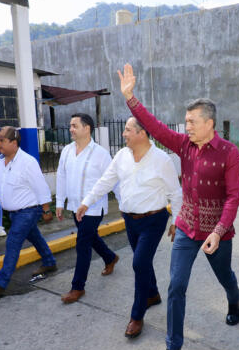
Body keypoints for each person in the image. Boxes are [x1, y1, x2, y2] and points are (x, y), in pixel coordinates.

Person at [118, 63, 239, 350]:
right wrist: (131, 98)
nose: (186, 126)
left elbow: (233, 196)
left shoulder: (229, 152)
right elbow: (156, 128)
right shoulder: (184, 145)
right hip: (187, 228)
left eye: (191, 121)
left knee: (225, 276)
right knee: (176, 286)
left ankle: (235, 299)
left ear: (209, 123)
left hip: (218, 234)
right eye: (185, 121)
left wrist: (218, 231)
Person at [77, 116, 182, 338]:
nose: (123, 134)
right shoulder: (122, 156)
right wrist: (86, 202)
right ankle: (152, 294)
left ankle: (137, 315)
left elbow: (176, 192)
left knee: (139, 262)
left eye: (127, 130)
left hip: (154, 220)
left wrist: (176, 221)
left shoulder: (161, 159)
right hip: (129, 220)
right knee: (142, 263)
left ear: (142, 133)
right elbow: (106, 180)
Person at [0, 126, 57, 296]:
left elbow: (40, 186)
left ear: (14, 143)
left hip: (29, 210)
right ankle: (49, 261)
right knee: (34, 236)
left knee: (13, 241)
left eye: (2, 140)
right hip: (14, 213)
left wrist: (46, 210)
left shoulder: (28, 162)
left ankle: (1, 283)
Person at [55, 113, 119, 304]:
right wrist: (60, 202)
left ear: (87, 128)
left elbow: (112, 181)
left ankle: (77, 287)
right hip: (75, 206)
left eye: (74, 126)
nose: (71, 129)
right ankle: (110, 257)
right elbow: (61, 176)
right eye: (70, 126)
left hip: (93, 208)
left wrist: (124, 204)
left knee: (82, 243)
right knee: (90, 238)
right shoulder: (67, 150)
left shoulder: (100, 153)